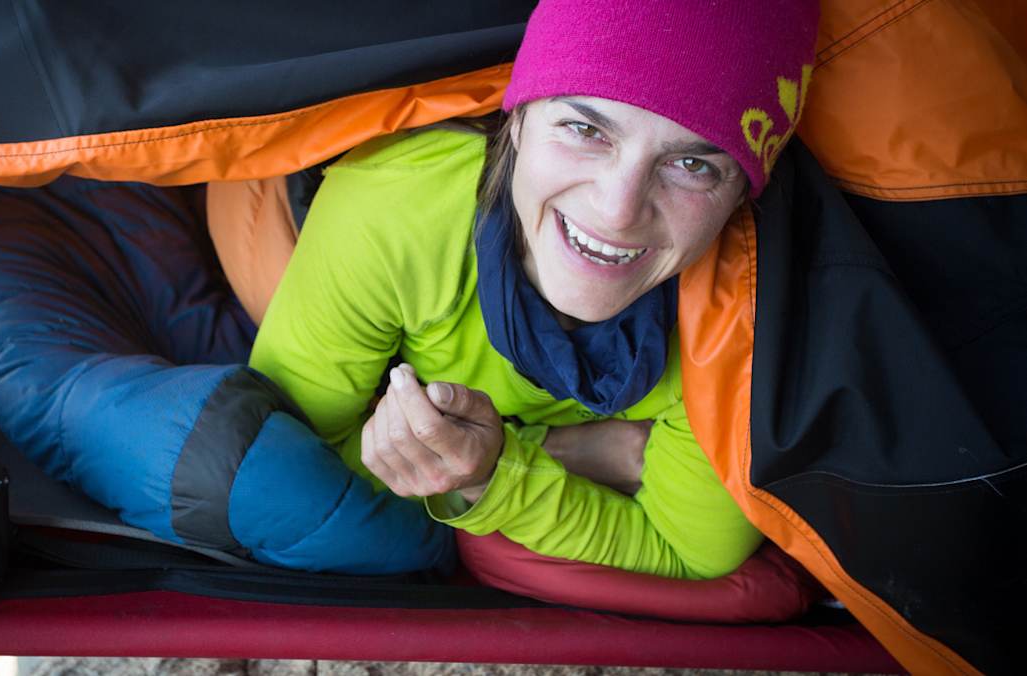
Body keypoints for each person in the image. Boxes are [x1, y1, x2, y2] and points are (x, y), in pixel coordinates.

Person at [249, 0, 820, 579]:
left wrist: (490, 472)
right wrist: (576, 454)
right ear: (518, 118)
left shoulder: (738, 321)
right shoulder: (393, 210)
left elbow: (686, 552)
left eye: (693, 165)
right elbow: (289, 466)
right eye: (584, 129)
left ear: (741, 194)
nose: (617, 211)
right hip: (299, 218)